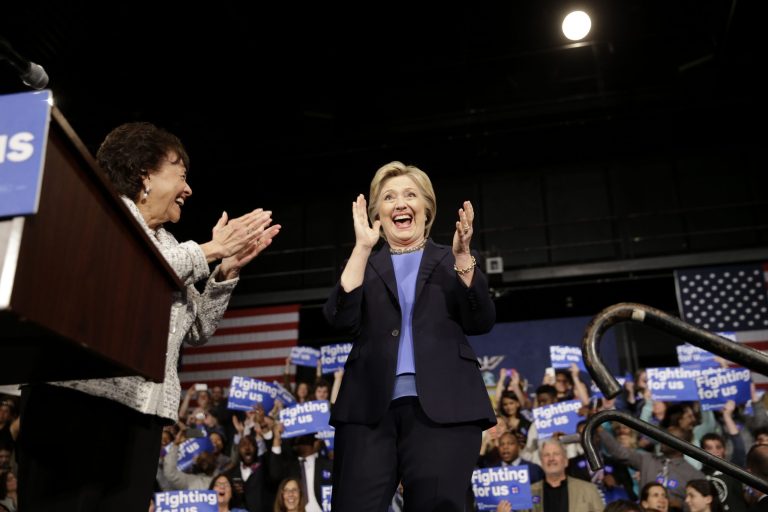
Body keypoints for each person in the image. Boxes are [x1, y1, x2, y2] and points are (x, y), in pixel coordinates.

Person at [15, 121, 281, 511]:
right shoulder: (100, 213)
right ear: (145, 175)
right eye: (181, 173)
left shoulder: (168, 246)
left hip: (141, 419)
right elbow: (127, 269)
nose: (188, 188)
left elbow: (197, 329)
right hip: (77, 409)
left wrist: (226, 271)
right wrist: (209, 250)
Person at [323, 161, 496, 511]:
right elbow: (340, 321)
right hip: (368, 410)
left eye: (410, 195)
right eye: (389, 197)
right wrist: (361, 248)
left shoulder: (453, 259)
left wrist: (464, 258)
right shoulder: (364, 264)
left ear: (426, 208)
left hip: (445, 410)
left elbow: (481, 320)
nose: (400, 203)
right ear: (378, 213)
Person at [529, 438, 603, 512]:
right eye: (546, 455)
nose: (551, 458)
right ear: (541, 462)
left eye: (556, 454)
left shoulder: (589, 490)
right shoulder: (529, 493)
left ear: (566, 461)